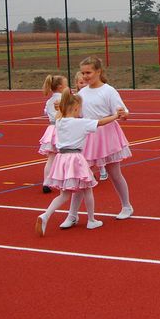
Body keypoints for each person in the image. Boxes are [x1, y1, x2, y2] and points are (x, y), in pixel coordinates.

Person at [35, 88, 123, 236]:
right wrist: (115, 116)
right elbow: (100, 122)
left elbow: (60, 113)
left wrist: (61, 105)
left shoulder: (59, 121)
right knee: (87, 189)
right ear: (76, 108)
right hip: (75, 158)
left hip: (61, 159)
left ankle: (45, 215)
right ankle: (91, 219)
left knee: (64, 194)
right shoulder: (80, 123)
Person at [61, 56, 132, 229]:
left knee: (114, 172)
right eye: (83, 73)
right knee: (82, 176)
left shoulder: (108, 91)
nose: (85, 76)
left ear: (98, 72)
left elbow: (123, 111)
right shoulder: (82, 93)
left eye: (89, 72)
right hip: (89, 136)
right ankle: (72, 215)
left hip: (107, 135)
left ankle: (126, 206)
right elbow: (77, 115)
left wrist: (123, 114)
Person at [74, 71, 107, 181]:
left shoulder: (91, 94)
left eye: (84, 82)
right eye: (80, 82)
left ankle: (102, 169)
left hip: (93, 126)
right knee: (86, 152)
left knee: (97, 150)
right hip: (83, 128)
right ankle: (88, 173)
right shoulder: (76, 97)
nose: (83, 84)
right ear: (77, 84)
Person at [39, 75, 67, 194]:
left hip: (51, 129)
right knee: (67, 156)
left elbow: (46, 112)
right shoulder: (65, 98)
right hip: (62, 128)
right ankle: (66, 179)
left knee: (51, 158)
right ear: (61, 87)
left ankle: (46, 182)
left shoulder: (49, 101)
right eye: (66, 84)